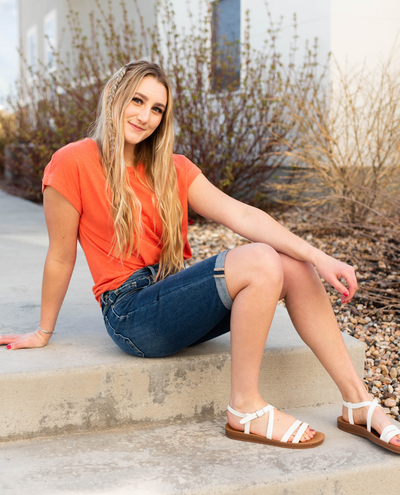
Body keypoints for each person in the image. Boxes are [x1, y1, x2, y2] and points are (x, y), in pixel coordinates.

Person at [1, 60, 399, 452]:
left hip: (170, 294)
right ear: (114, 97)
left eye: (157, 109)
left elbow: (243, 214)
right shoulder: (72, 161)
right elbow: (60, 255)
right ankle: (245, 408)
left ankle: (358, 403)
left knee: (293, 265)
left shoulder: (172, 168)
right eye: (137, 101)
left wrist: (320, 257)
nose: (145, 116)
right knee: (261, 260)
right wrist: (43, 331)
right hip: (130, 314)